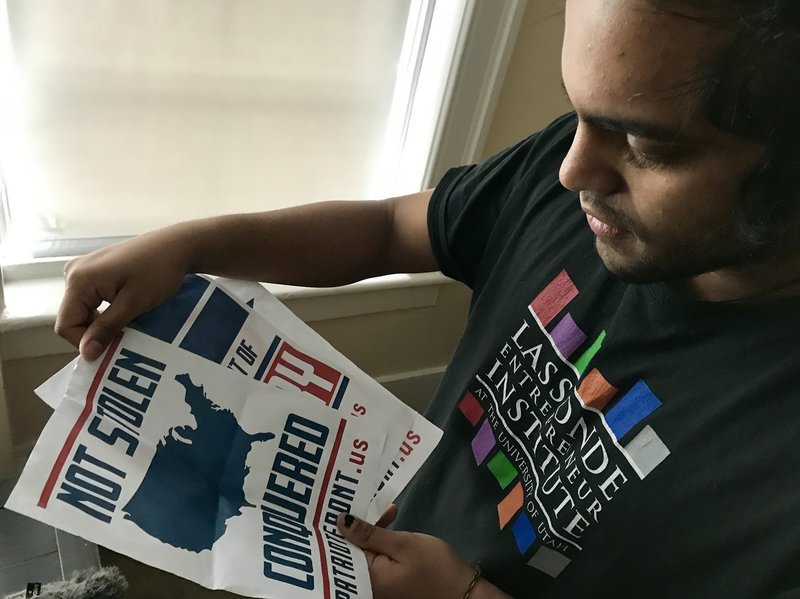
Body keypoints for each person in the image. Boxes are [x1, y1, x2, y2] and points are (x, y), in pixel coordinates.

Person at [55, 0, 800, 596]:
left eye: (647, 147)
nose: (575, 168)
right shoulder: (566, 176)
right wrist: (190, 245)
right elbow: (386, 229)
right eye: (578, 109)